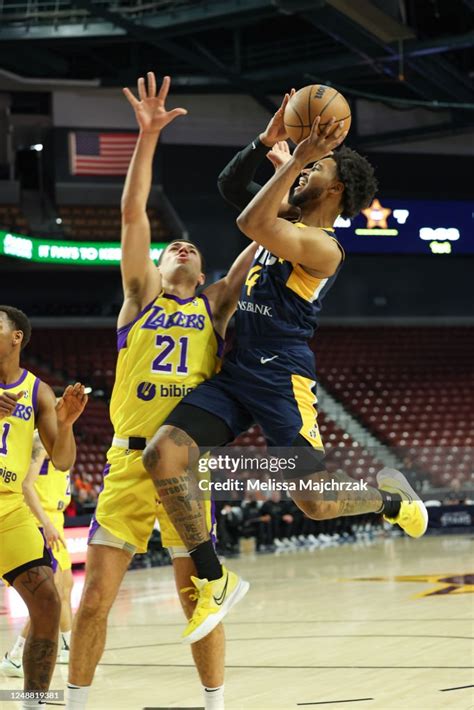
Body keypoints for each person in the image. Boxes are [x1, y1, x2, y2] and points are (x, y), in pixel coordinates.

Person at [142, 93, 429, 644]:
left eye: (317, 163)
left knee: (316, 503)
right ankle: (214, 577)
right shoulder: (292, 210)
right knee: (163, 453)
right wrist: (268, 141)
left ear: (336, 186)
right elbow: (232, 190)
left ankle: (392, 498)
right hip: (236, 370)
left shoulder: (323, 248)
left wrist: (293, 162)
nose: (304, 162)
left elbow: (252, 221)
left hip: (280, 376)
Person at [66, 73, 256, 710]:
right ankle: (76, 702)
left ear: (202, 274)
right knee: (94, 599)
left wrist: (290, 171)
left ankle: (214, 703)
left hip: (183, 466)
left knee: (194, 595)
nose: (179, 246)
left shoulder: (217, 308)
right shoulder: (139, 299)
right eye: (171, 246)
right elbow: (132, 213)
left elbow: (259, 239)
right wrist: (145, 137)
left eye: (190, 248)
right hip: (126, 460)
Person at [0, 305, 87, 710]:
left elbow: (64, 460)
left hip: (9, 509)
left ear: (16, 337)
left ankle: (32, 702)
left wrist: (65, 424)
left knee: (49, 601)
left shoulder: (38, 392)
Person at [1, 430, 74, 678]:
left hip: (57, 518)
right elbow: (26, 485)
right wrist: (46, 523)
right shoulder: (39, 440)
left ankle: (66, 644)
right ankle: (15, 656)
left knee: (66, 586)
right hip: (42, 522)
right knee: (50, 593)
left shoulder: (61, 439)